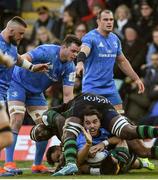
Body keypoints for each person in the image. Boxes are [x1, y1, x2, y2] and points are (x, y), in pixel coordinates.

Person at [5, 34, 81, 174]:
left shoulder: (70, 67)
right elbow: (23, 58)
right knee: (17, 118)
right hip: (17, 83)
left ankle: (37, 165)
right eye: (73, 51)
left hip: (36, 93)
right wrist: (33, 67)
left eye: (77, 52)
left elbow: (68, 95)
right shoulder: (47, 51)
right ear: (64, 47)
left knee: (46, 125)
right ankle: (8, 163)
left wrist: (70, 117)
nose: (75, 55)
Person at [30, 92, 158, 176]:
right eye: (39, 138)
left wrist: (66, 159)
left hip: (84, 103)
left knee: (126, 134)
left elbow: (62, 122)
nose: (41, 135)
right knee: (143, 151)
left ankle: (70, 165)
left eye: (37, 132)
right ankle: (134, 162)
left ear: (39, 124)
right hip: (102, 116)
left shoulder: (48, 117)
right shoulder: (67, 137)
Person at [0, 16, 48, 176]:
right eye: (20, 33)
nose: (22, 37)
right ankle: (6, 164)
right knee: (5, 132)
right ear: (11, 30)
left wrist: (33, 67)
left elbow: (18, 59)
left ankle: (10, 165)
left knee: (5, 137)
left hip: (2, 93)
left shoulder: (12, 46)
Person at [76, 9, 144, 114]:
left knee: (119, 119)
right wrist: (80, 63)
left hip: (110, 87)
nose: (109, 22)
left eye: (111, 20)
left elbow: (122, 61)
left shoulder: (115, 39)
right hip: (92, 87)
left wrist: (136, 78)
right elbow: (84, 50)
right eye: (106, 19)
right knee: (92, 120)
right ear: (98, 21)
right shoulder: (90, 37)